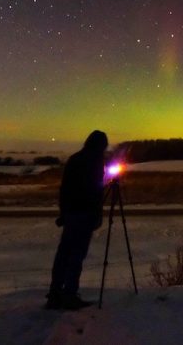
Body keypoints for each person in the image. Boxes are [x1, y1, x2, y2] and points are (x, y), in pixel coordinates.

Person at [46, 130, 108, 310]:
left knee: (63, 255)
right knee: (76, 256)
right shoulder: (95, 162)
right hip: (84, 214)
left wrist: (64, 212)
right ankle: (69, 295)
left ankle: (55, 293)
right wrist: (97, 214)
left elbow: (64, 189)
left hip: (71, 214)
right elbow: (95, 192)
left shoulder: (74, 159)